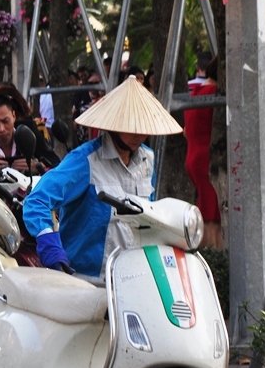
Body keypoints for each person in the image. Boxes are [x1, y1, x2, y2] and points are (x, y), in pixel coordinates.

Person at [23, 76, 182, 276]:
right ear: (114, 124)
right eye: (132, 127)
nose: (139, 135)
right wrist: (49, 243)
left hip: (134, 276)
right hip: (86, 280)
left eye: (144, 128)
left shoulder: (147, 159)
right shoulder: (85, 161)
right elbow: (37, 200)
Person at [184, 56, 222, 249]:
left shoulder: (196, 92)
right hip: (208, 160)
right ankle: (214, 258)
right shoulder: (215, 93)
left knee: (209, 212)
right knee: (212, 218)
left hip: (194, 156)